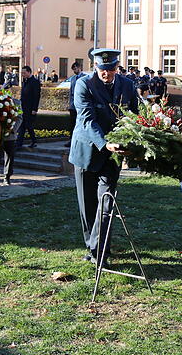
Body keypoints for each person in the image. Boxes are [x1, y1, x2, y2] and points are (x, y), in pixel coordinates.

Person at [69, 48, 138, 265]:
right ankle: (92, 246)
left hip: (113, 155)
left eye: (111, 69)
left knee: (106, 203)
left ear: (117, 67)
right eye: (102, 69)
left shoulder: (127, 85)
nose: (106, 73)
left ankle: (100, 253)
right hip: (87, 152)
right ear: (95, 67)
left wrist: (133, 139)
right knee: (88, 205)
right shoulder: (84, 84)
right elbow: (87, 120)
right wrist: (105, 143)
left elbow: (133, 115)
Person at [0, 100, 23, 186]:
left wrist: (12, 130)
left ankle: (7, 177)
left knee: (9, 156)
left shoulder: (16, 102)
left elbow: (19, 117)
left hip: (10, 135)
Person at [16, 65, 41, 148]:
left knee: (29, 125)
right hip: (23, 106)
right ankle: (19, 143)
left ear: (29, 72)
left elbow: (36, 96)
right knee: (22, 125)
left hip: (30, 107)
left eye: (24, 73)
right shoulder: (25, 81)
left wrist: (34, 109)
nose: (22, 74)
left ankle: (33, 141)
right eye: (22, 73)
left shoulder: (35, 82)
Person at [67, 62, 87, 147]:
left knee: (81, 124)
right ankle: (71, 140)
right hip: (73, 105)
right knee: (72, 124)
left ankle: (80, 142)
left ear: (79, 68)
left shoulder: (85, 77)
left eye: (75, 69)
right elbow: (71, 92)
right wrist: (70, 104)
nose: (74, 71)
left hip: (81, 105)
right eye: (73, 69)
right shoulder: (73, 78)